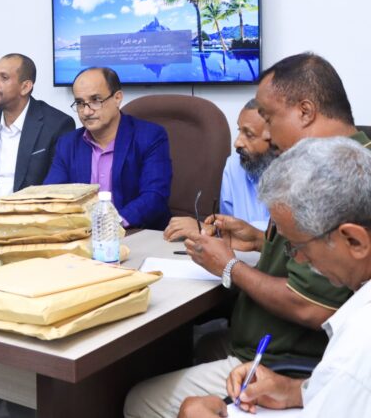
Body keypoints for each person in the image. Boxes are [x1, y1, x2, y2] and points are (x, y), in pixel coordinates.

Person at [125, 53, 365, 417]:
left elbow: (311, 305)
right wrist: (256, 238)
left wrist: (229, 267)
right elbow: (315, 255)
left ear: (305, 111)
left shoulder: (337, 178)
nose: (267, 134)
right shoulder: (338, 163)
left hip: (287, 361)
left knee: (138, 401)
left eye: (268, 118)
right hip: (283, 369)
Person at [178, 137, 371, 417]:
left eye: (298, 246)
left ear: (354, 241)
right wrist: (291, 390)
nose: (297, 259)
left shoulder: (357, 351)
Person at [44, 67, 172, 230]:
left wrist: (109, 225)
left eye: (96, 100)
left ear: (117, 98)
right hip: (83, 234)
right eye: (80, 103)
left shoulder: (149, 136)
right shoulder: (68, 144)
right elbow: (52, 197)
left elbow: (154, 196)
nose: (86, 111)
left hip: (136, 231)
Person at [0, 53, 75, 208]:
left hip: (30, 216)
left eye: (4, 78)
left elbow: (55, 190)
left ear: (25, 87)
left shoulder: (56, 125)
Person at [164, 99, 274, 241]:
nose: (237, 143)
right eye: (239, 131)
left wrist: (216, 229)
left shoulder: (298, 173)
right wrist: (212, 229)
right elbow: (228, 229)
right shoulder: (234, 165)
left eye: (249, 134)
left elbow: (286, 238)